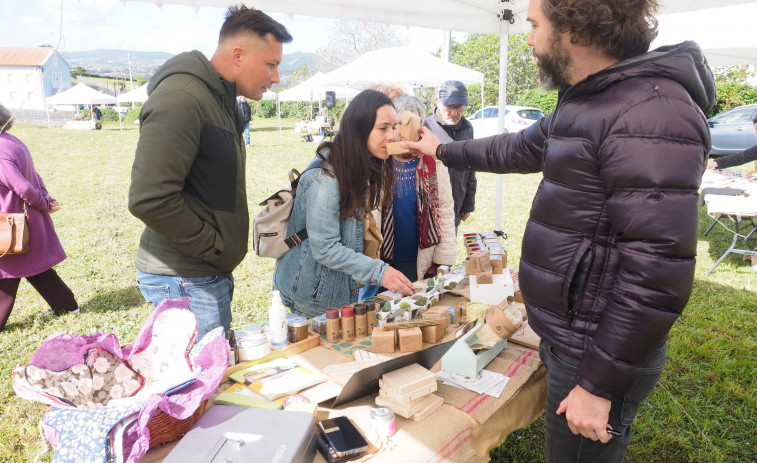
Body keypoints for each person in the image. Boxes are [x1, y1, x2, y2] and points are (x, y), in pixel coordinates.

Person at [404, 0, 715, 461]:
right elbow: (519, 148)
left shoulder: (649, 113)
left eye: (534, 25)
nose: (528, 39)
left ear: (577, 27)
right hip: (574, 334)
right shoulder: (595, 97)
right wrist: (443, 150)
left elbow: (657, 272)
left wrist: (598, 383)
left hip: (594, 346)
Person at [128, 6, 292, 340]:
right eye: (271, 64)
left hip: (202, 274)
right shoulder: (183, 98)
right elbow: (150, 198)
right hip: (184, 277)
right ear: (238, 55)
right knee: (201, 387)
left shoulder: (221, 99)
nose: (276, 77)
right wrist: (215, 248)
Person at [273, 90, 414, 319]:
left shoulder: (356, 164)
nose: (392, 136)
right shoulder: (324, 180)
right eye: (383, 128)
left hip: (338, 291)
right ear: (359, 128)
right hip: (314, 296)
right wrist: (380, 272)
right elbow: (325, 248)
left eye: (394, 127)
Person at [0, 103, 78, 332]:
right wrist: (44, 198)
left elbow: (22, 186)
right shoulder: (12, 141)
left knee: (6, 272)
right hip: (23, 220)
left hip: (12, 223)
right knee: (35, 268)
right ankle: (67, 306)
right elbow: (35, 175)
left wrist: (43, 201)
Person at [377, 94, 456, 282]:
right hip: (382, 256)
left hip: (419, 256)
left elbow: (445, 208)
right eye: (398, 125)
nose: (404, 132)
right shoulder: (380, 159)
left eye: (410, 124)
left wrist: (443, 259)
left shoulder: (433, 160)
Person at [424, 80, 476, 232]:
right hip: (431, 207)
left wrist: (468, 203)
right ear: (438, 102)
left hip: (456, 203)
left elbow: (471, 167)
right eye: (449, 107)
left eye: (459, 107)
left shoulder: (467, 128)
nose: (454, 113)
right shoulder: (426, 127)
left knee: (449, 251)